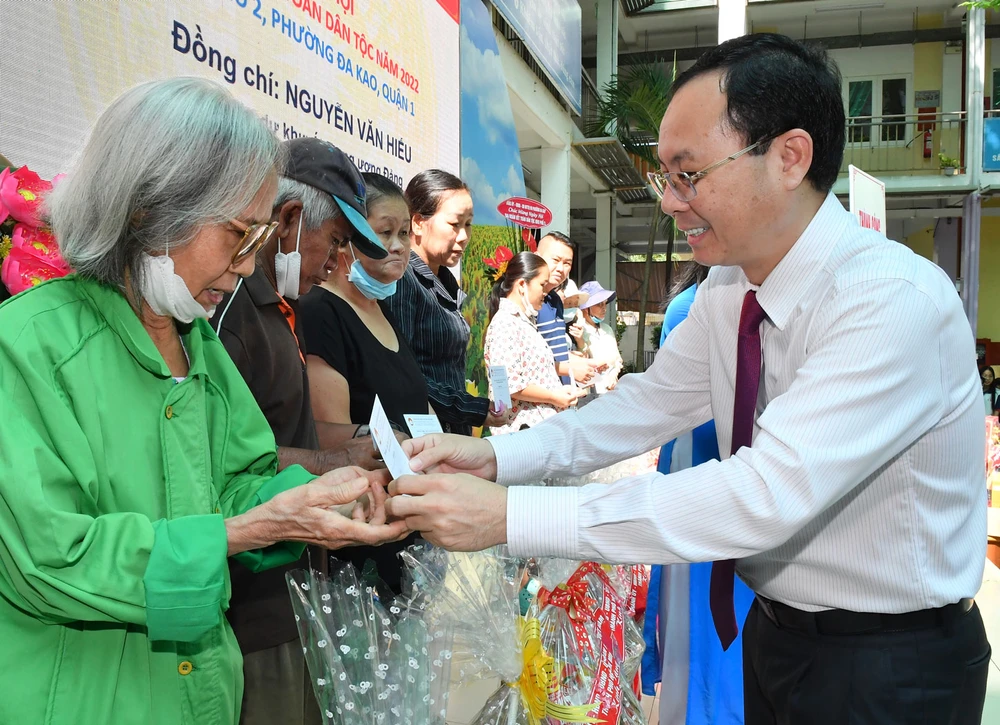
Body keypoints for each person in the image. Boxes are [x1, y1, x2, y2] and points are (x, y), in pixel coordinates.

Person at [387, 34, 990, 725]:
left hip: (891, 663)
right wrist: (499, 459)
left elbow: (763, 493)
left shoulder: (889, 302)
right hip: (779, 633)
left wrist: (514, 517)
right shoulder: (732, 287)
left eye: (689, 173)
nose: (671, 201)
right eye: (664, 176)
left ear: (790, 157)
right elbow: (646, 404)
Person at [0, 78, 407, 725]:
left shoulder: (196, 345)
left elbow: (236, 480)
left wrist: (316, 501)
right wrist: (252, 527)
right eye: (237, 235)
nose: (248, 266)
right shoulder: (28, 347)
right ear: (148, 211)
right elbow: (49, 557)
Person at [210, 136, 391, 725]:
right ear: (289, 220)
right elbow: (221, 461)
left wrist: (346, 453)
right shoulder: (229, 315)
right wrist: (330, 465)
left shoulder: (279, 308)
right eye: (335, 242)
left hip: (297, 591)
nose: (339, 264)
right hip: (257, 611)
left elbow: (275, 431)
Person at [300, 172, 424, 592]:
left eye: (405, 233)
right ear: (349, 239)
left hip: (405, 522)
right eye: (384, 232)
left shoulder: (384, 313)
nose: (399, 246)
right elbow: (330, 438)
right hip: (360, 535)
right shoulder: (322, 313)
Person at [644, 261, 752, 725]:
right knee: (707, 647)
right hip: (707, 498)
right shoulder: (695, 309)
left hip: (745, 499)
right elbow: (664, 407)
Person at [386, 169, 510, 435]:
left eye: (468, 224)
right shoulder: (404, 280)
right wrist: (472, 409)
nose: (464, 236)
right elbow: (404, 377)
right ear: (418, 223)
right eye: (455, 224)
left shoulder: (444, 282)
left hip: (450, 432)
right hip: (423, 437)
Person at [484, 251, 582, 434]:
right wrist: (554, 396)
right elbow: (509, 385)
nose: (546, 292)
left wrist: (560, 391)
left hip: (539, 431)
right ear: (522, 284)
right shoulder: (505, 323)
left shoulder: (524, 322)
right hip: (523, 435)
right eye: (542, 285)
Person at [535, 232, 599, 385]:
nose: (560, 268)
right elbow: (526, 359)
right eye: (555, 260)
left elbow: (548, 349)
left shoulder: (555, 300)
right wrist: (569, 368)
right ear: (536, 257)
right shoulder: (527, 302)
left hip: (563, 396)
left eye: (567, 263)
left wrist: (569, 357)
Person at [576, 280, 623, 395]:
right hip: (589, 393)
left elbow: (618, 359)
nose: (604, 308)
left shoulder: (607, 329)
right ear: (585, 308)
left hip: (610, 391)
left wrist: (614, 375)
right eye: (599, 304)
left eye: (604, 303)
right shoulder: (578, 330)